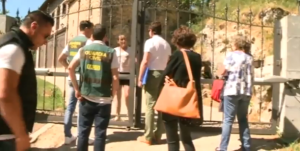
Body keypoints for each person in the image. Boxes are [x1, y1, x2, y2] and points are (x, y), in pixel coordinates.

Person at [0, 11, 54, 150]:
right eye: (45, 36)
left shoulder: (15, 45)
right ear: (34, 26)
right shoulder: (14, 48)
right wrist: (20, 134)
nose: (45, 42)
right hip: (6, 136)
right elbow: (5, 95)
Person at [68, 24, 119, 151]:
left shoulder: (83, 50)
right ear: (105, 36)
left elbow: (70, 68)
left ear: (91, 35)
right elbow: (115, 78)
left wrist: (76, 89)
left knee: (83, 133)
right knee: (100, 135)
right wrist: (112, 94)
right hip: (104, 100)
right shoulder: (111, 52)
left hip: (86, 97)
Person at [157, 25, 202, 151]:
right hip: (188, 100)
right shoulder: (197, 57)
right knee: (186, 138)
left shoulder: (177, 55)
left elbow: (165, 75)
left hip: (173, 99)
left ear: (177, 41)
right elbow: (195, 80)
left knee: (172, 140)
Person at [58, 20, 94, 144]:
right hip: (83, 78)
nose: (92, 32)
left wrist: (69, 68)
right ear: (87, 28)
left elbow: (60, 59)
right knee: (82, 107)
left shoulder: (71, 42)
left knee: (70, 106)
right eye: (91, 29)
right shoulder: (88, 42)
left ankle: (67, 135)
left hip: (72, 77)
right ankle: (81, 136)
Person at [216, 35, 253, 151]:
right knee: (243, 119)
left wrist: (219, 71)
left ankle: (223, 148)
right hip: (246, 91)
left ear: (236, 44)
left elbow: (222, 72)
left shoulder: (231, 55)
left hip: (231, 90)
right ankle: (246, 146)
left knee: (228, 120)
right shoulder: (250, 58)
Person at [137, 21, 171, 145]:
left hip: (152, 73)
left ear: (151, 30)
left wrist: (140, 77)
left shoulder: (150, 42)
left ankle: (148, 136)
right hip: (163, 73)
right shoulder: (166, 44)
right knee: (160, 105)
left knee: (150, 105)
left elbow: (145, 61)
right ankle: (158, 134)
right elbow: (168, 62)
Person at [113, 34, 132, 121]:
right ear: (118, 41)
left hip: (127, 74)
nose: (123, 41)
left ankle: (129, 114)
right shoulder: (115, 50)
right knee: (117, 95)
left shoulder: (131, 50)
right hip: (118, 74)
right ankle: (117, 114)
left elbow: (135, 61)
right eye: (121, 40)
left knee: (127, 94)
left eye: (124, 39)